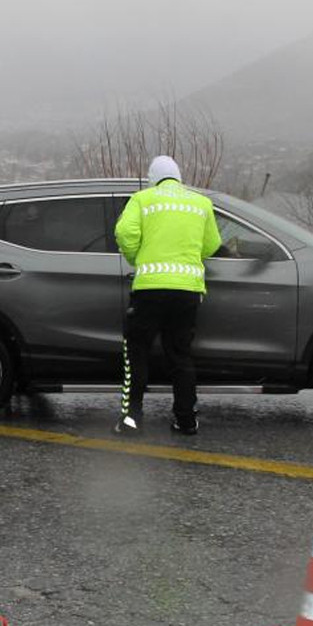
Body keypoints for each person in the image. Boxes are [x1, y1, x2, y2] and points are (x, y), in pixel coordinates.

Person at [113, 155, 222, 435]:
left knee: (137, 354)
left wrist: (137, 258)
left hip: (149, 289)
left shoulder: (142, 199)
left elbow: (124, 233)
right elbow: (212, 243)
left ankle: (131, 421)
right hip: (187, 291)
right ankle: (186, 421)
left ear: (153, 177)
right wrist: (188, 256)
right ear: (178, 176)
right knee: (181, 356)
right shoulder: (201, 203)